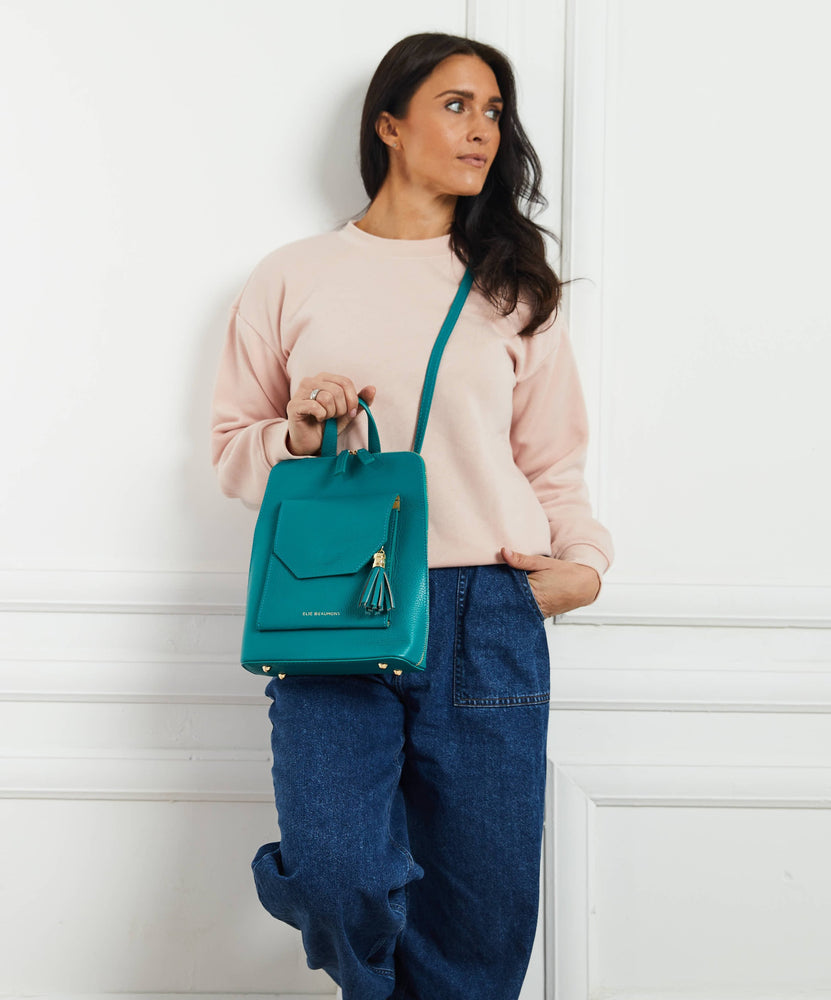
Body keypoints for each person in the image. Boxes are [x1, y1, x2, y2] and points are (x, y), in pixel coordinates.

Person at [210, 31, 613, 1000]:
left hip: (486, 607)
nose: (483, 129)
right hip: (332, 605)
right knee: (338, 870)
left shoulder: (513, 286)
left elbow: (553, 461)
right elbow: (230, 448)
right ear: (388, 125)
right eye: (456, 104)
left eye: (494, 111)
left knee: (481, 909)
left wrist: (585, 565)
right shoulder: (293, 275)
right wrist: (299, 434)